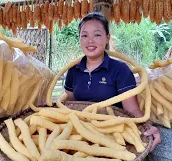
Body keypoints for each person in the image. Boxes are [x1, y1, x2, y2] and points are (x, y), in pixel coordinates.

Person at [63, 12, 161, 151]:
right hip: (80, 133)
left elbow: (131, 109)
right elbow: (70, 105)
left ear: (107, 38)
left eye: (97, 35)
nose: (90, 40)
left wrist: (148, 127)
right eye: (84, 35)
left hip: (113, 135)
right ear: (79, 38)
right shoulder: (73, 70)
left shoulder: (120, 70)